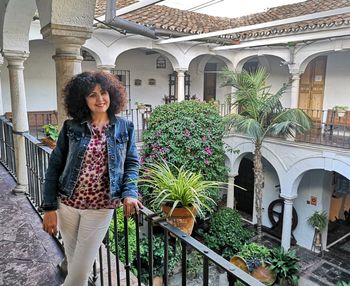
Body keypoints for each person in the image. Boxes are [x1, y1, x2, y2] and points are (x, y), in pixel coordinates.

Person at [42, 71, 143, 286]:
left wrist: (130, 193)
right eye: (92, 95)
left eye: (103, 92)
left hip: (101, 207)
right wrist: (49, 208)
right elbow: (55, 167)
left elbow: (132, 163)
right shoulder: (72, 127)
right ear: (82, 99)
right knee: (74, 261)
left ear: (112, 94)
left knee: (78, 274)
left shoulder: (125, 127)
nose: (100, 99)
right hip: (67, 204)